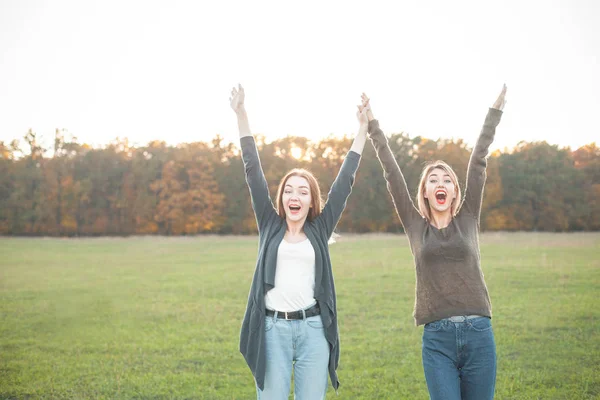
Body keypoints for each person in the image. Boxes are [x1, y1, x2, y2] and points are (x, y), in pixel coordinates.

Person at [362, 85, 507, 400]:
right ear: (425, 192)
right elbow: (392, 172)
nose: (440, 184)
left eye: (447, 181)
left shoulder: (468, 218)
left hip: (479, 334)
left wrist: (493, 116)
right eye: (433, 180)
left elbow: (478, 162)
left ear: (454, 191)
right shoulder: (415, 226)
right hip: (437, 339)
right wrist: (373, 125)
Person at [230, 84, 368, 399]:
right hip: (271, 331)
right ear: (282, 198)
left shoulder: (319, 229)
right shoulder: (269, 223)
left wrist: (362, 129)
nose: (295, 195)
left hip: (313, 331)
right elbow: (252, 170)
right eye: (289, 189)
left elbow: (345, 181)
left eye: (303, 191)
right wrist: (241, 114)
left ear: (311, 201)